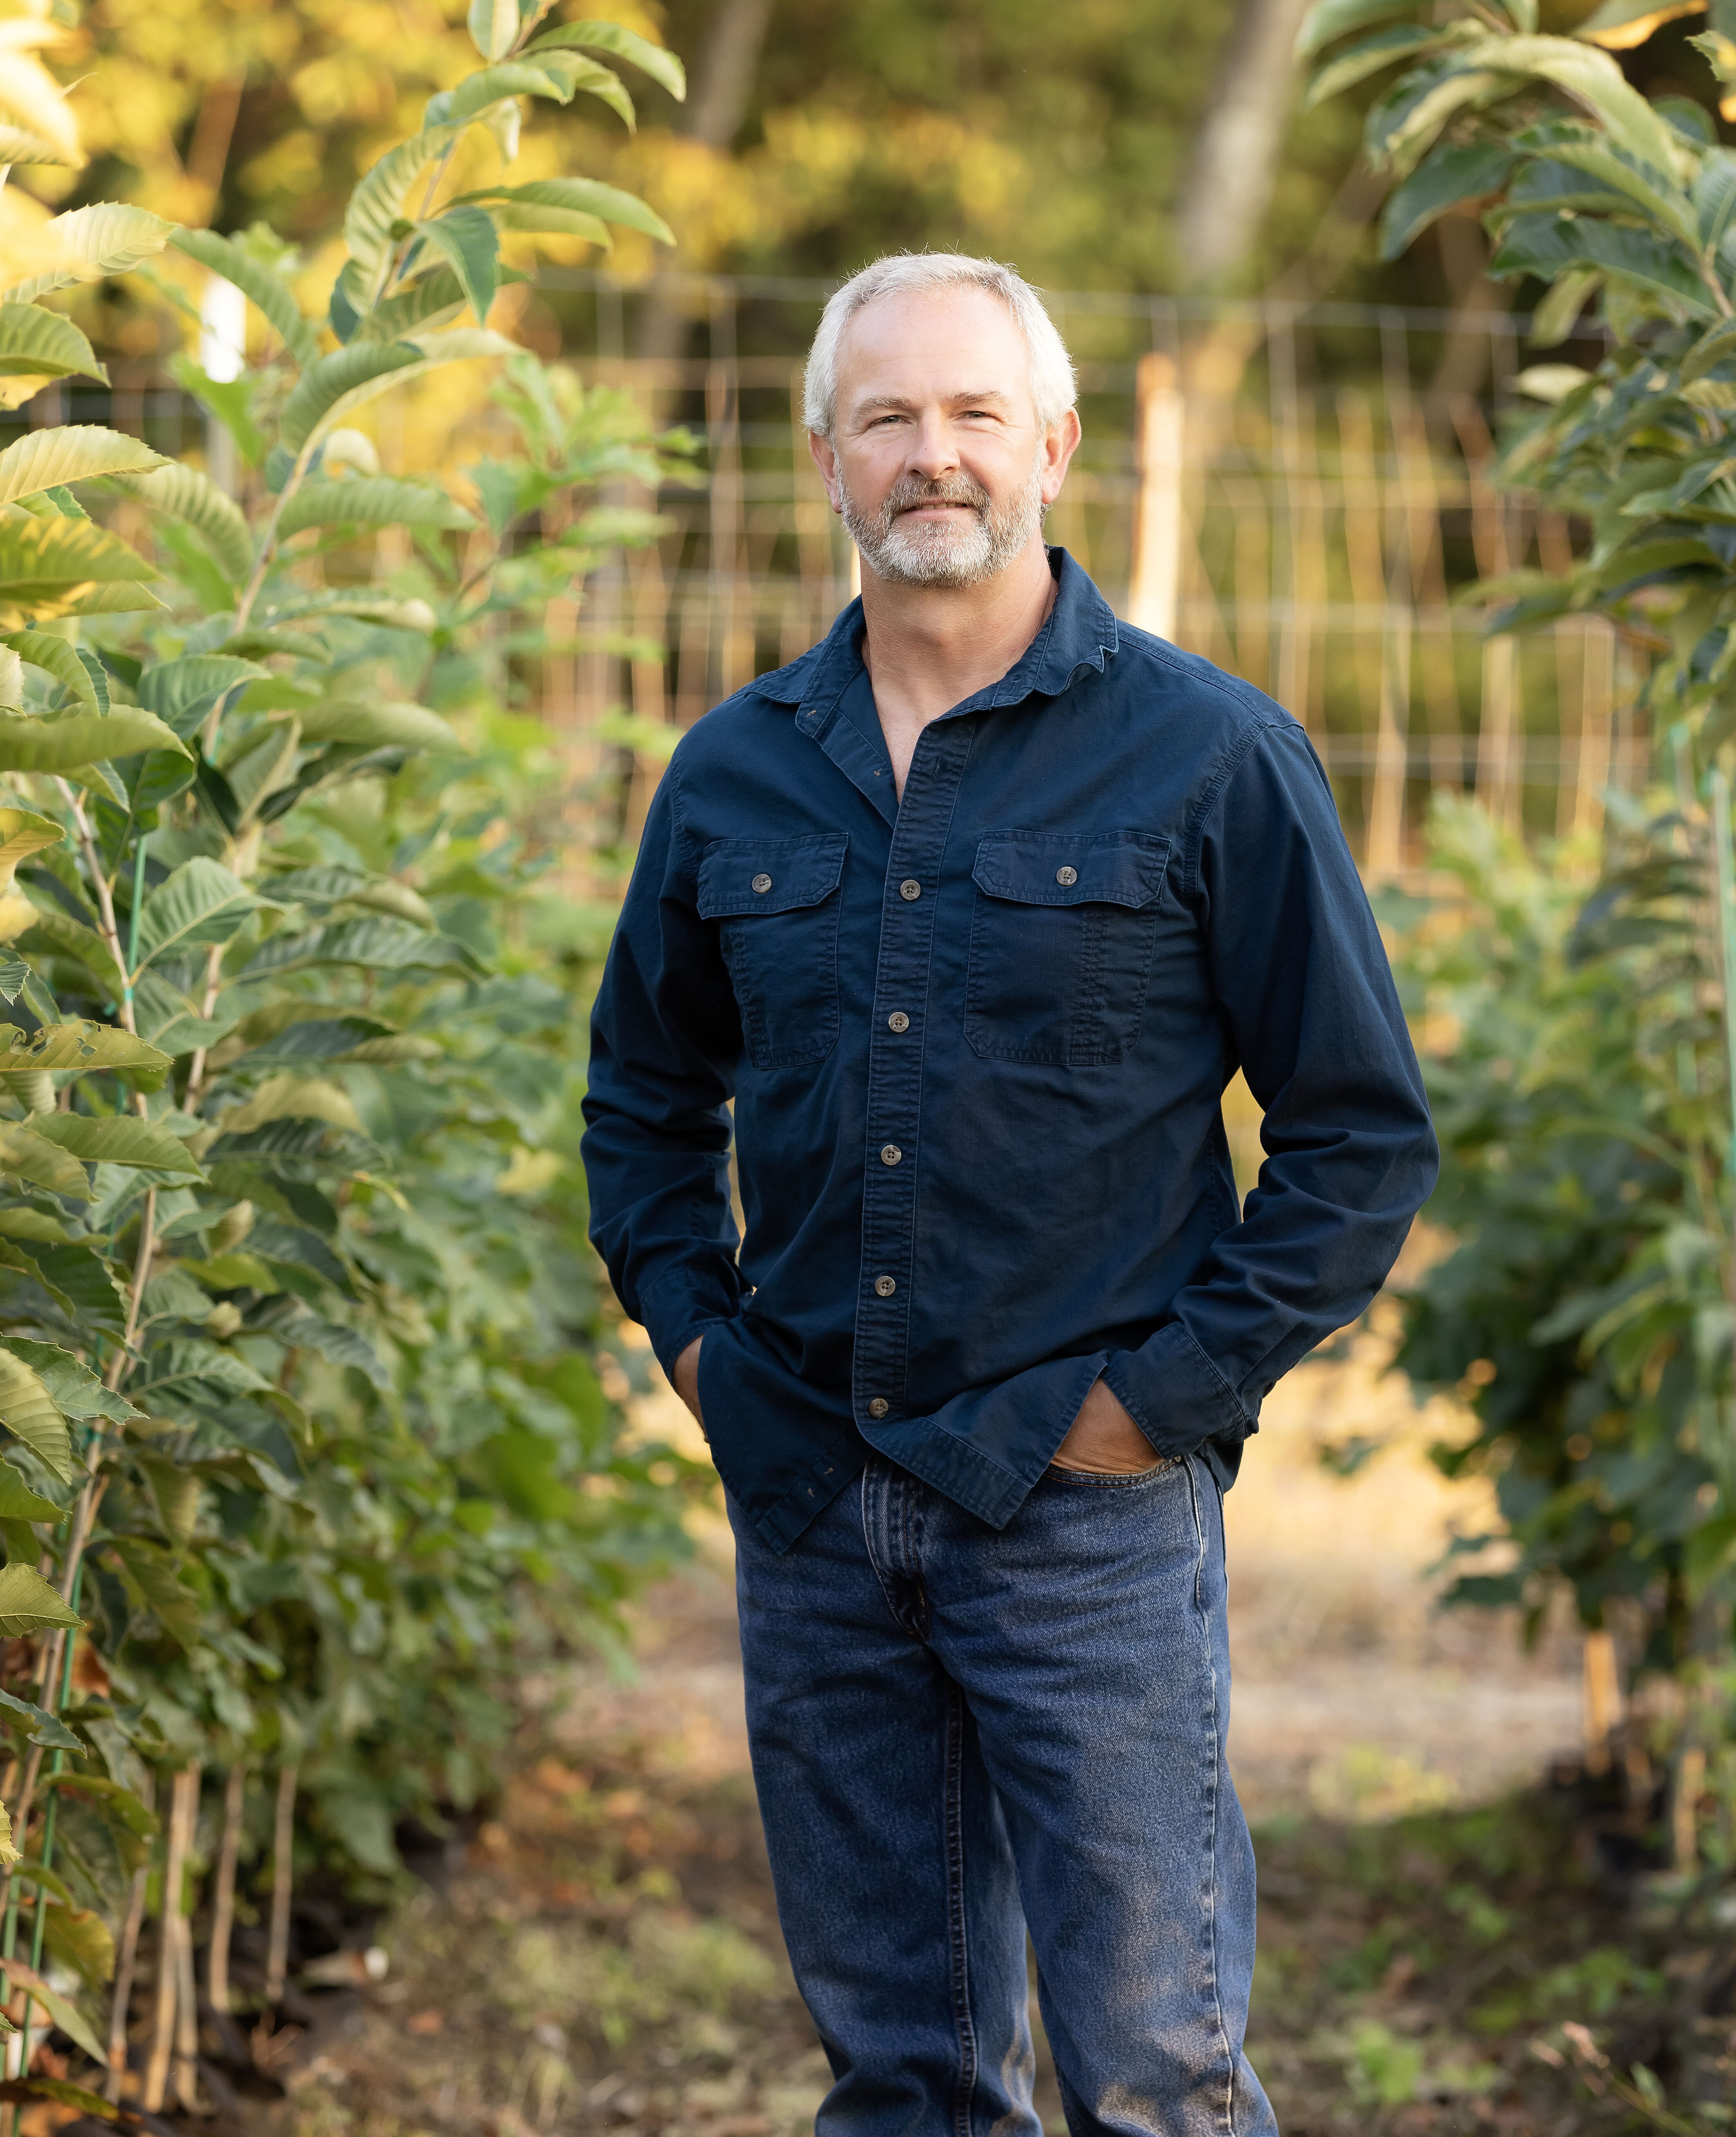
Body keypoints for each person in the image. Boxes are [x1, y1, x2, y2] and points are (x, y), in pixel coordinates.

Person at [582, 252, 1437, 2137]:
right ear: (824, 456)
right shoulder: (732, 776)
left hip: (1087, 1519)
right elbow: (643, 1102)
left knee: (1152, 2075)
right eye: (887, 417)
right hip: (812, 1501)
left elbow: (1360, 1136)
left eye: (974, 413)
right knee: (902, 2081)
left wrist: (1156, 1409)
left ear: (1055, 443)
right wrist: (702, 1355)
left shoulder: (1210, 755)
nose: (931, 456)